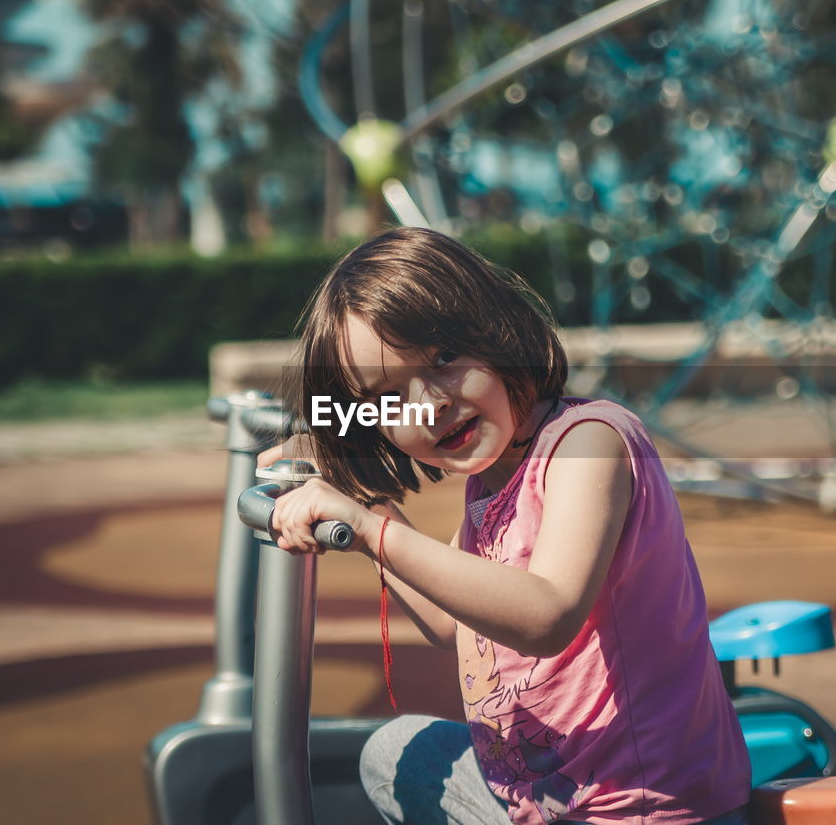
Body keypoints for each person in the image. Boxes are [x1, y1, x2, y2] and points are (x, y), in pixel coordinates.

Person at [262, 227, 751, 825]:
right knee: (391, 752)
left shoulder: (585, 443)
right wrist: (360, 500)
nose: (428, 403)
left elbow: (546, 615)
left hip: (641, 810)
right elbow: (449, 621)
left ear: (498, 332)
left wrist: (369, 529)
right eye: (389, 396)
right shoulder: (490, 484)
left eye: (443, 359)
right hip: (541, 801)